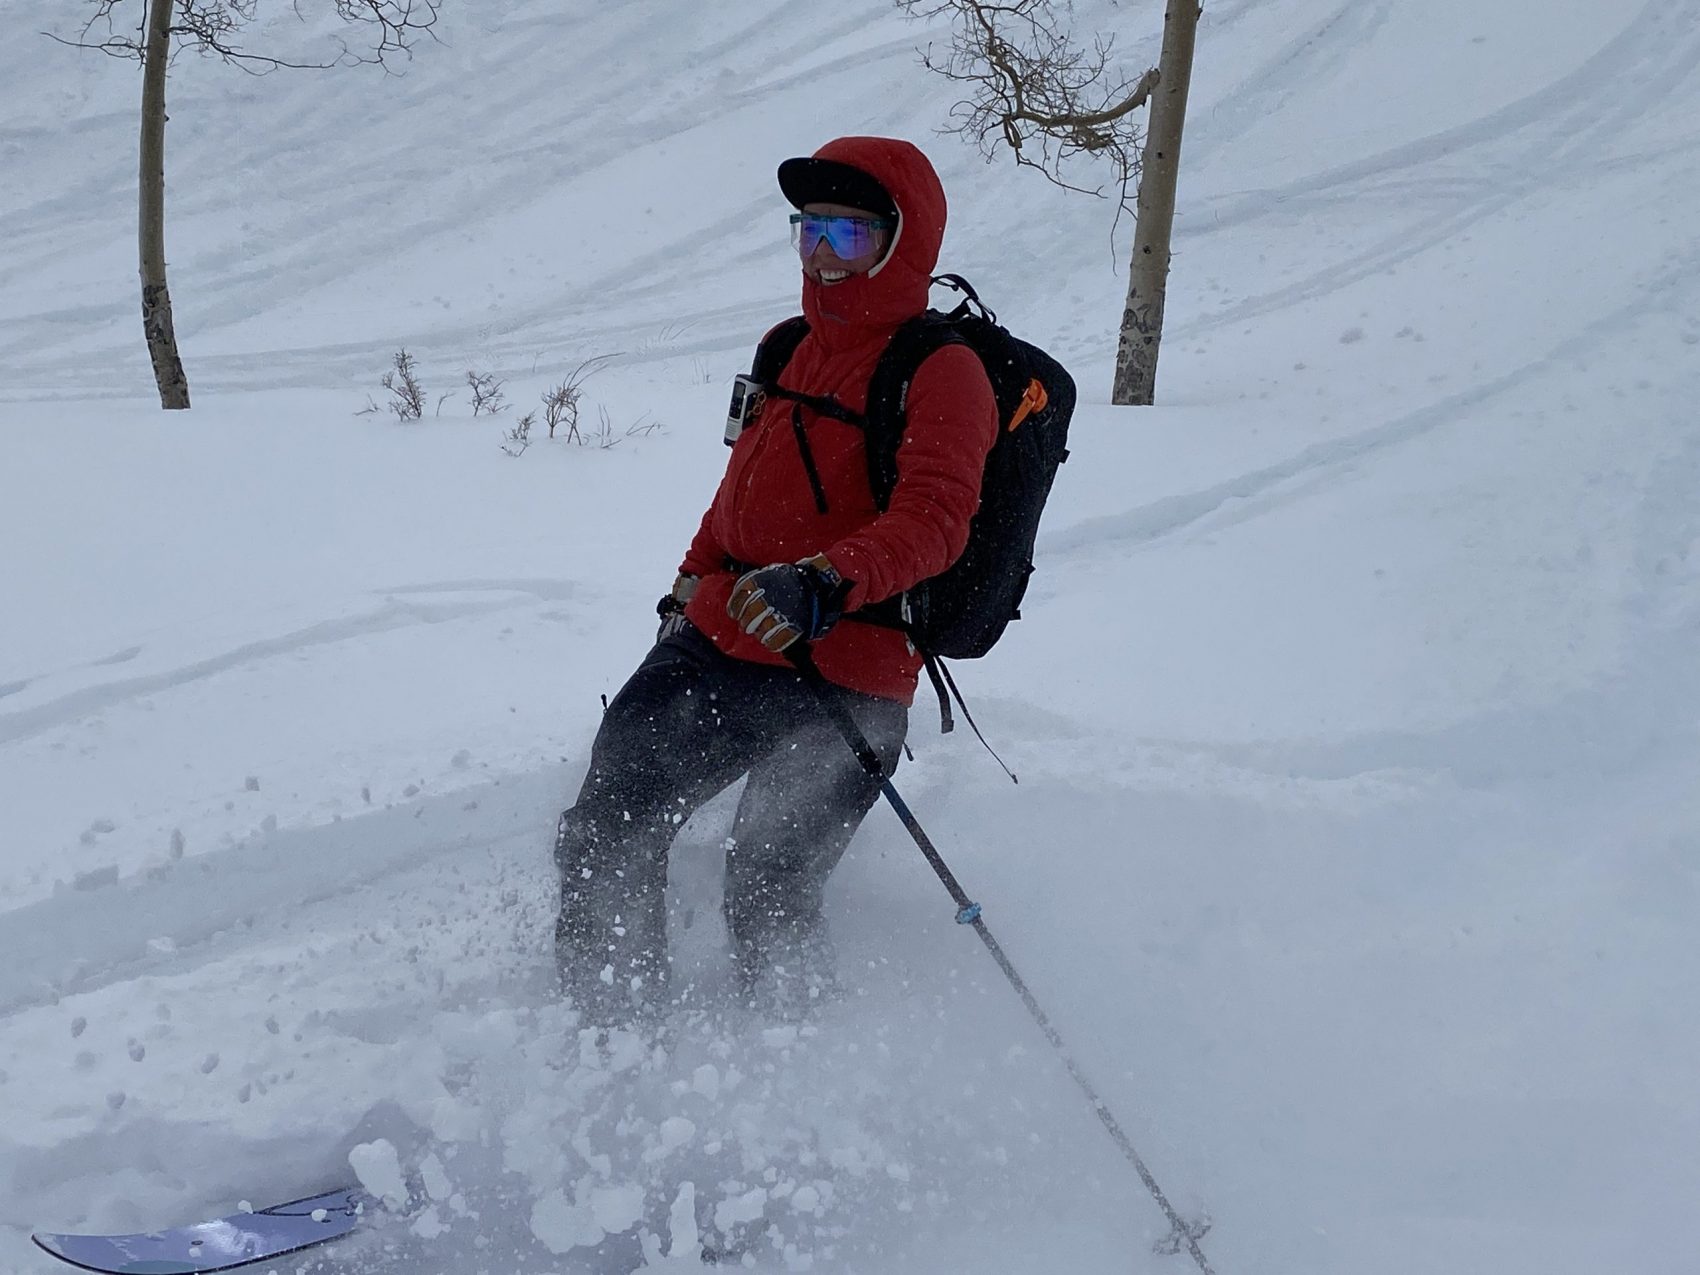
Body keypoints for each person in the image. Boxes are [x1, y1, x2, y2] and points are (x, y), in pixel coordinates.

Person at [554, 136, 998, 1025]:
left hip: (846, 669)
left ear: (901, 243)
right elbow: (741, 496)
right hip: (722, 634)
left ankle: (791, 1078)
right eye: (809, 230)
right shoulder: (787, 344)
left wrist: (826, 581)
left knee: (768, 880)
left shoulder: (942, 369)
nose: (823, 254)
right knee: (607, 829)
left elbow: (936, 521)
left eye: (848, 234)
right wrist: (688, 584)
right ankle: (608, 1045)